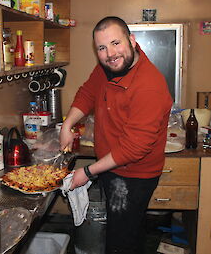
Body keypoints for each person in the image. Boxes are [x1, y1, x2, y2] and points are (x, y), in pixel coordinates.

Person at [60, 16, 173, 254]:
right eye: (102, 47)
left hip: (134, 176)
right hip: (111, 166)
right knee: (126, 229)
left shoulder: (149, 85)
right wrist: (67, 124)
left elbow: (134, 148)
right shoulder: (110, 66)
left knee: (120, 242)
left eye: (115, 43)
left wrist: (88, 171)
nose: (110, 53)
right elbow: (88, 92)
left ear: (131, 40)